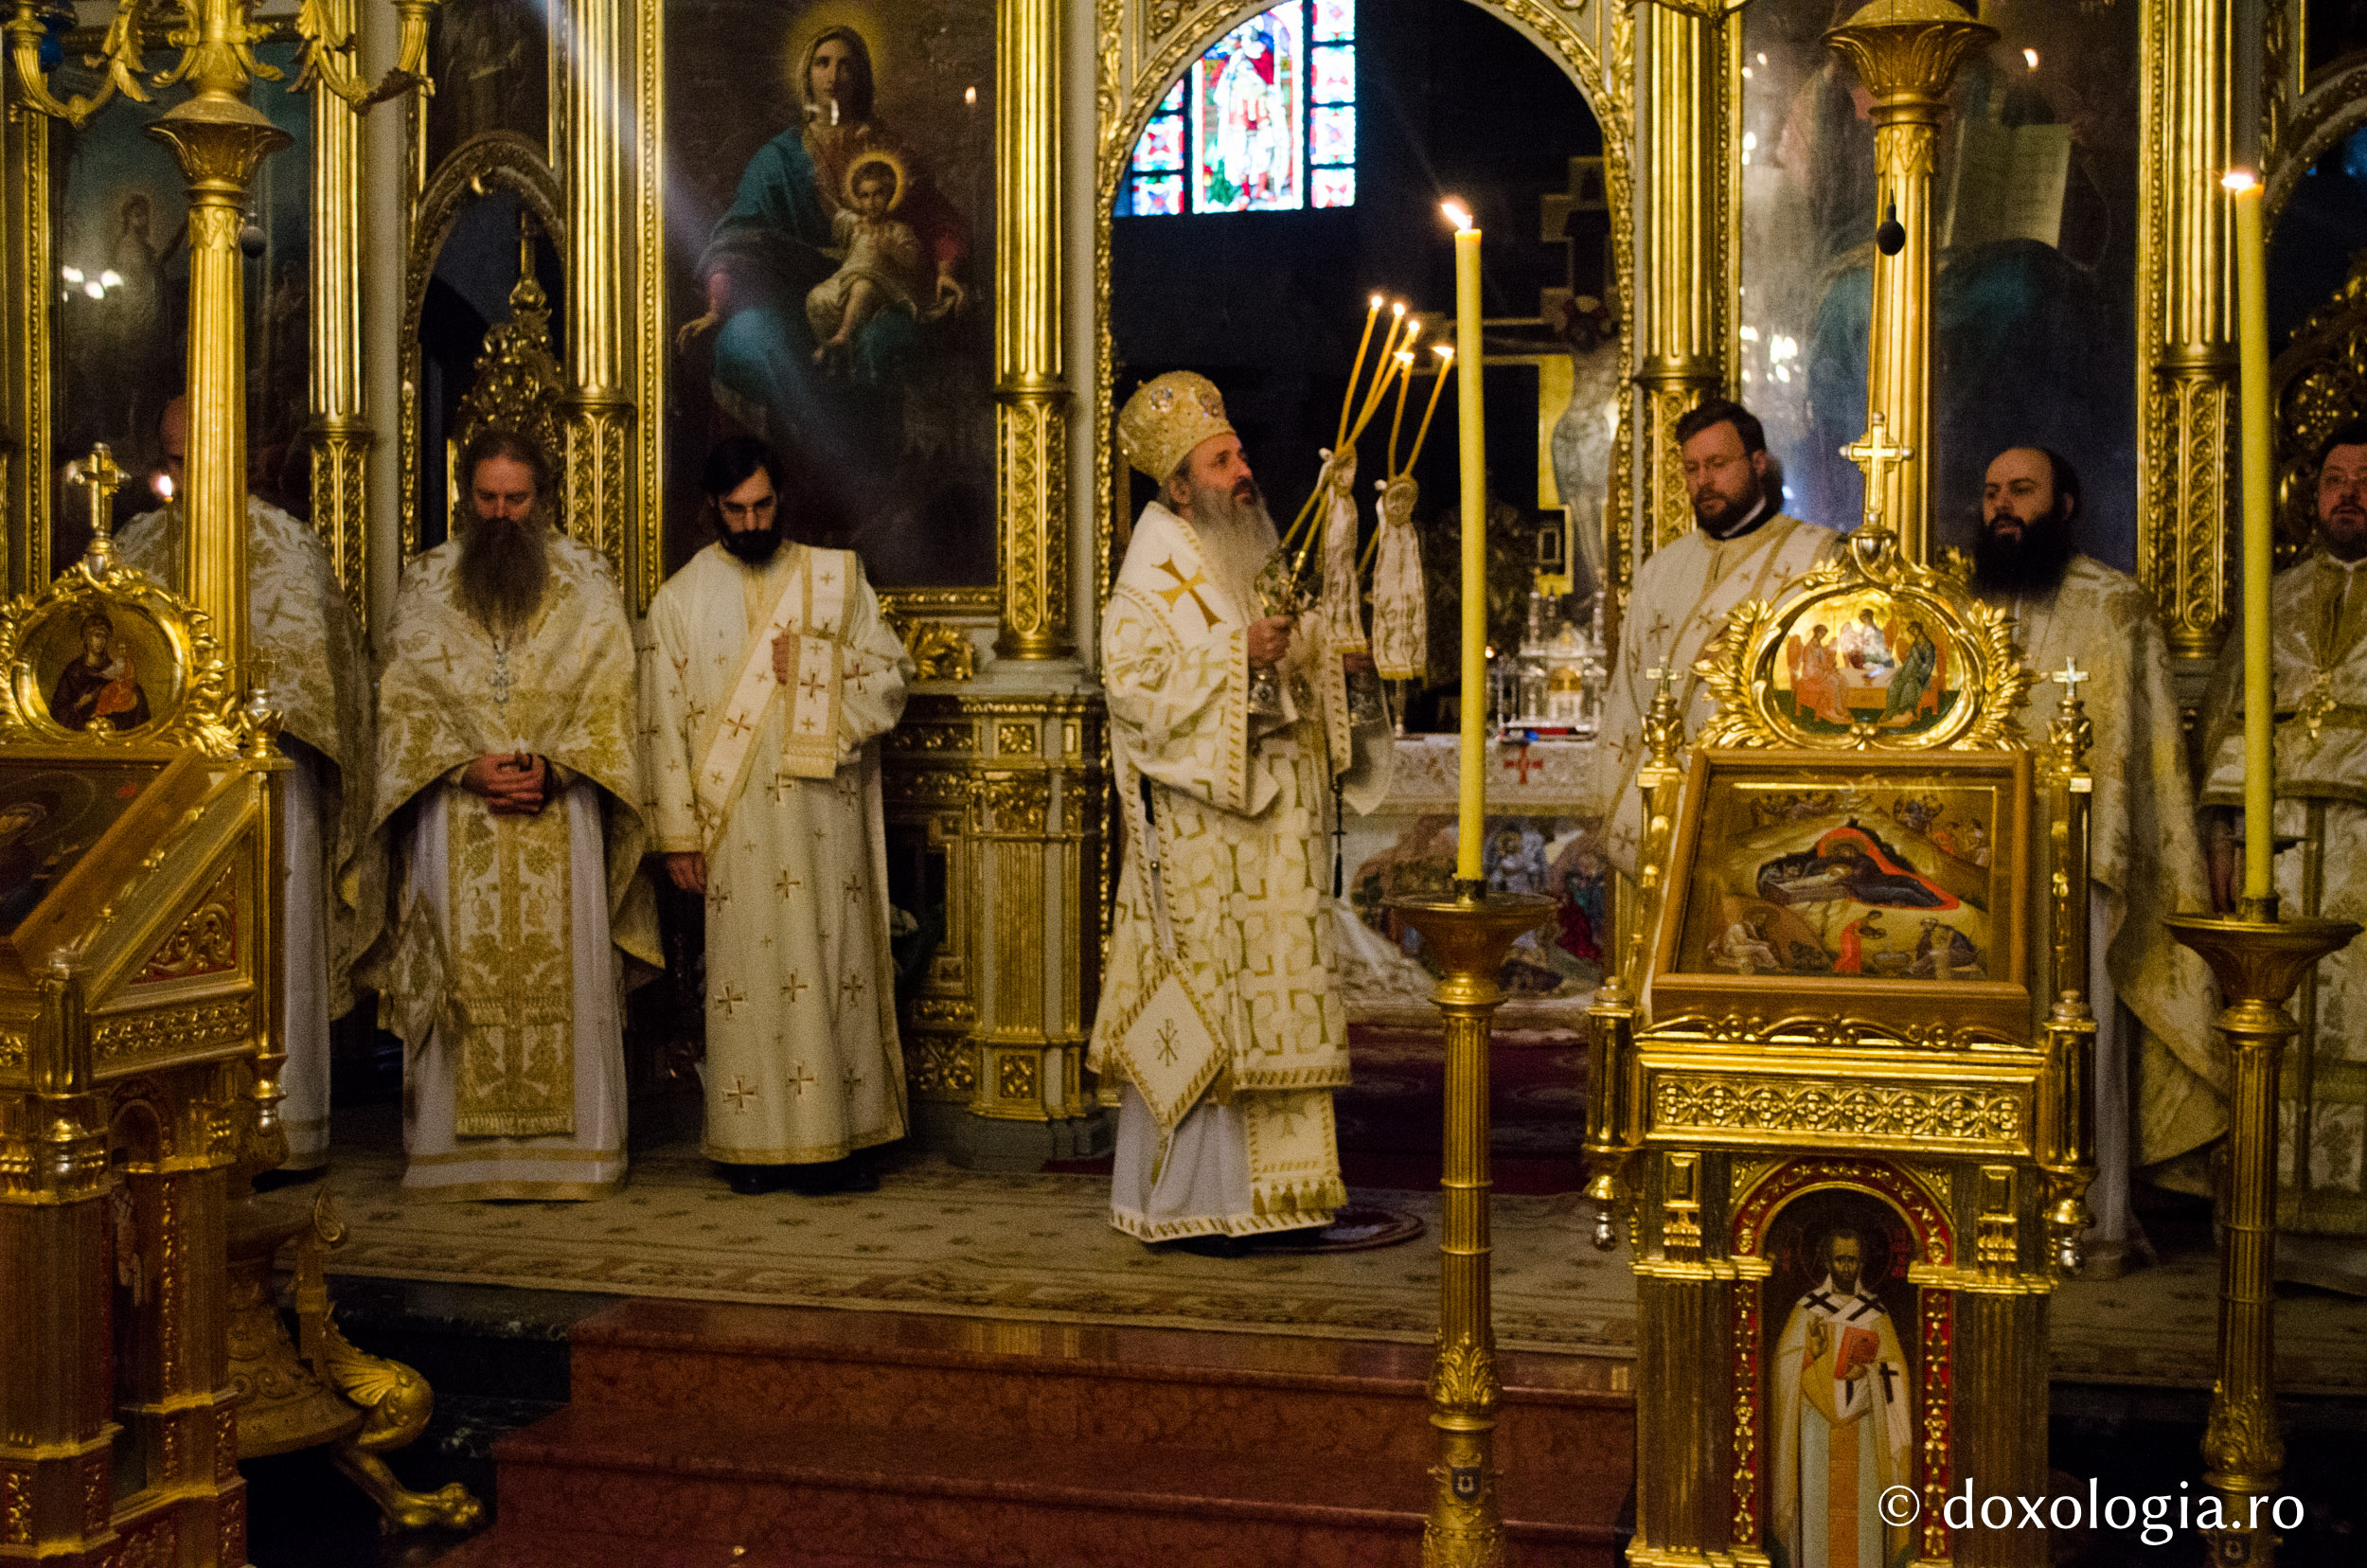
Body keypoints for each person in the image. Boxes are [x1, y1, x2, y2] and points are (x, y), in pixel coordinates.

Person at [1088, 370, 1386, 1253]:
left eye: (1241, 452)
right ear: (1179, 484)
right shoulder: (1151, 576)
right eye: (1221, 461)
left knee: (1277, 1013)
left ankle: (1285, 1200)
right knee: (1220, 1018)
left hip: (1273, 843)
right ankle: (1191, 1202)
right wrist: (1233, 656)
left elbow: (1292, 666)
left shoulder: (1249, 553)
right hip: (1203, 847)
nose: (1242, 471)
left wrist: (1339, 667)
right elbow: (1133, 695)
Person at [368, 430, 657, 1200]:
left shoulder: (588, 581)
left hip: (560, 816)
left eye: (517, 499)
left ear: (545, 499)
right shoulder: (426, 581)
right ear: (467, 496)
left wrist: (556, 768)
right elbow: (398, 706)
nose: (501, 515)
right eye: (486, 498)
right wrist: (466, 767)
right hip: (453, 813)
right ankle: (450, 1157)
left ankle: (578, 1156)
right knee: (458, 977)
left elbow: (613, 701)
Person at [641, 437, 914, 1196]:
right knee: (749, 978)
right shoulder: (680, 600)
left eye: (763, 505)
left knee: (833, 971)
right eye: (737, 510)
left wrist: (823, 670)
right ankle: (750, 1144)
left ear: (780, 498)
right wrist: (678, 838)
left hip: (826, 818)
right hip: (737, 832)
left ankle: (845, 1138)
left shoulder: (836, 578)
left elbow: (892, 681)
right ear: (713, 509)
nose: (752, 521)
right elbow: (659, 722)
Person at [1972, 445, 2214, 1278]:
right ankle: (1980, 1213)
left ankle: (2093, 1222)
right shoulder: (1956, 608)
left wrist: (2108, 861)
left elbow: (2142, 756)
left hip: (2080, 870)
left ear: (2065, 504)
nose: (2004, 506)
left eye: (2023, 490)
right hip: (1968, 877)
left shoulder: (2116, 607)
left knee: (2084, 1047)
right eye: (1994, 492)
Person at [118, 395, 375, 1171]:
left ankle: (279, 1136)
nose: (189, 481)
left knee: (274, 949)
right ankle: (163, 1133)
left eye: (203, 461)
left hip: (267, 793)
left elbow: (327, 690)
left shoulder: (289, 551)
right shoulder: (132, 547)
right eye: (174, 461)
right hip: (159, 798)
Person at [2197, 421, 2367, 1292]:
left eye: (2365, 480)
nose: (2349, 494)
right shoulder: (2276, 598)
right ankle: (2277, 1237)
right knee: (2281, 1039)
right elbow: (2231, 728)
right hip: (2285, 856)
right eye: (2335, 479)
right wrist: (2225, 847)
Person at [1592, 401, 1835, 875]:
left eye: (1718, 464)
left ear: (1757, 463)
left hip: (1758, 803)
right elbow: (1626, 694)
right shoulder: (1662, 570)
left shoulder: (1818, 560)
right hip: (1660, 805)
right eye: (1691, 468)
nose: (1703, 481)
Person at [678, 27, 968, 424]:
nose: (834, 75)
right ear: (806, 74)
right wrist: (715, 309)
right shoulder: (778, 158)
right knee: (745, 338)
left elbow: (936, 218)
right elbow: (737, 239)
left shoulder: (888, 151)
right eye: (823, 63)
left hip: (877, 295)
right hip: (796, 298)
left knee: (889, 343)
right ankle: (803, 436)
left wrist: (946, 271)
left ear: (862, 76)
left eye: (846, 65)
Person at [1771, 1227, 1913, 1568]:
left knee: (1864, 1513)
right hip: (1815, 1429)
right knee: (1816, 1511)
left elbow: (1897, 1375)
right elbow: (1782, 1372)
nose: (1847, 1267)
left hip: (1865, 1429)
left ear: (1862, 1262)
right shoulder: (1808, 1309)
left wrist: (1869, 1374)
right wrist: (1809, 1354)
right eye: (1840, 1259)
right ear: (1827, 1261)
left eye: (1852, 1259)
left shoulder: (1875, 1313)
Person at [806, 154, 934, 367]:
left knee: (863, 286)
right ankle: (833, 352)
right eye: (864, 196)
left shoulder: (898, 230)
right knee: (817, 297)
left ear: (890, 194)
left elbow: (915, 262)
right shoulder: (855, 225)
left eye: (878, 194)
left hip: (884, 287)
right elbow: (835, 211)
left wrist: (892, 249)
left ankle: (843, 336)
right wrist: (822, 191)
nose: (871, 202)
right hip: (847, 281)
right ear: (858, 198)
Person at [48, 611, 151, 732]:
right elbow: (58, 710)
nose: (101, 641)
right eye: (97, 636)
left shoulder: (114, 669)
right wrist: (78, 705)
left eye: (104, 637)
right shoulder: (73, 672)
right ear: (86, 638)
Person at [1787, 621, 1848, 724]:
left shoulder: (1820, 647)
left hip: (1819, 673)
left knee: (1842, 679)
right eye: (1821, 633)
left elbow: (1824, 660)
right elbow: (1811, 666)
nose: (1822, 636)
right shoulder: (1808, 648)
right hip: (1811, 676)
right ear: (1816, 633)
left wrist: (1829, 665)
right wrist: (1824, 672)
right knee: (1833, 681)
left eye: (1824, 634)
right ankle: (1831, 710)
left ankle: (1839, 709)